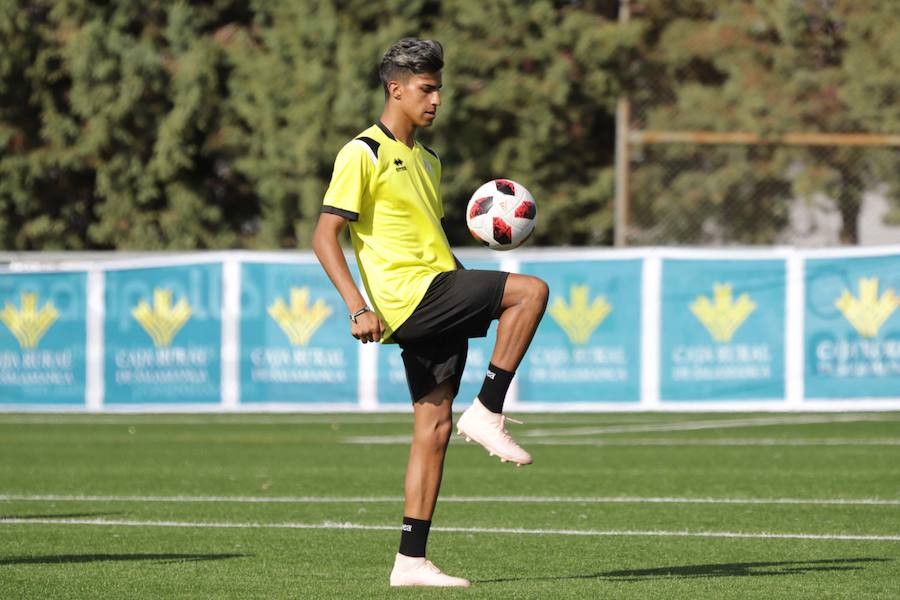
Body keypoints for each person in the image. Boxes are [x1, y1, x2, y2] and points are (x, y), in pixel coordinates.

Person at [312, 37, 549, 588]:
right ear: (395, 89)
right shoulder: (363, 153)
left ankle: (410, 561)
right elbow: (326, 235)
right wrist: (357, 307)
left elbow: (426, 242)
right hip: (409, 299)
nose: (437, 98)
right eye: (426, 88)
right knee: (530, 292)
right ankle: (489, 410)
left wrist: (465, 274)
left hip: (435, 286)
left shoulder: (428, 159)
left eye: (439, 87)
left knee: (433, 427)